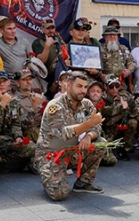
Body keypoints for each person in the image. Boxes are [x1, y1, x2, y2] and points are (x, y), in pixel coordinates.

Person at [33, 71, 106, 199]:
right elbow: (63, 133)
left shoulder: (86, 104)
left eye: (85, 87)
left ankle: (83, 183)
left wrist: (89, 136)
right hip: (51, 155)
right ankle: (49, 174)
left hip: (72, 150)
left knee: (100, 142)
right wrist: (89, 123)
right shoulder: (55, 106)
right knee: (59, 195)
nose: (83, 90)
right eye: (79, 86)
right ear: (68, 85)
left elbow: (97, 126)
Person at [0, 71, 36, 172]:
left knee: (31, 147)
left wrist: (17, 137)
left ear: (9, 82)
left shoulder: (14, 100)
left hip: (4, 139)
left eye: (4, 81)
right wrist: (2, 104)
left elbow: (16, 123)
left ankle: (1, 162)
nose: (1, 84)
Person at [100, 74, 137, 160]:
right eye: (111, 86)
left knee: (133, 122)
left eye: (117, 86)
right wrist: (122, 109)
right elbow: (107, 112)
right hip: (107, 129)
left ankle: (125, 149)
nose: (114, 89)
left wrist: (132, 105)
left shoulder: (123, 96)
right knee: (103, 152)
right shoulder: (101, 98)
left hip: (120, 127)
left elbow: (134, 113)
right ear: (105, 86)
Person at [13, 69, 45, 142]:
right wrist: (34, 107)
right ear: (17, 82)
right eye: (24, 80)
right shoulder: (14, 100)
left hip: (44, 129)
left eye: (30, 79)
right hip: (29, 133)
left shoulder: (40, 96)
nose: (28, 82)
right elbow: (22, 125)